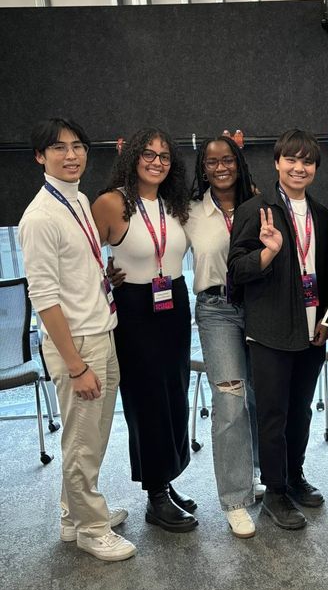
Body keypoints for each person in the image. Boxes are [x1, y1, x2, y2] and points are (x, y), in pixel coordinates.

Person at [18, 118, 135, 561]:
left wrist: (100, 278)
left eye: (78, 146)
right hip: (78, 344)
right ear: (39, 156)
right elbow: (44, 298)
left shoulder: (79, 198)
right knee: (83, 440)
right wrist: (75, 364)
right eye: (58, 148)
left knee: (93, 434)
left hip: (100, 329)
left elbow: (72, 268)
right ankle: (91, 527)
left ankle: (73, 514)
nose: (71, 155)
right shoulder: (40, 217)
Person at [227, 129, 328, 531]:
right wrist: (268, 252)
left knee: (301, 411)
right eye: (291, 159)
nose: (299, 167)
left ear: (315, 169)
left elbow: (327, 275)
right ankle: (274, 491)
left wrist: (326, 317)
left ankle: (294, 475)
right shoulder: (255, 211)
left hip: (312, 329)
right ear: (277, 163)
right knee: (272, 414)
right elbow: (235, 273)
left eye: (307, 161)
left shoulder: (322, 215)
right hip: (270, 330)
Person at [92, 128, 196, 532]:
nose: (157, 162)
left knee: (174, 395)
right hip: (136, 310)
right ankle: (154, 495)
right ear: (133, 157)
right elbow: (81, 259)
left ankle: (166, 481)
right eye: (149, 154)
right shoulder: (112, 203)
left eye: (165, 156)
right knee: (147, 402)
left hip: (174, 301)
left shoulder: (175, 203)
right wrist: (106, 277)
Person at [186, 136, 264, 538]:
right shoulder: (189, 212)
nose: (220, 167)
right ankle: (235, 499)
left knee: (259, 395)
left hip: (260, 305)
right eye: (212, 161)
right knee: (231, 400)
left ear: (238, 162)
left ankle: (254, 474)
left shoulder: (260, 205)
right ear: (203, 168)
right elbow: (158, 248)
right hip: (216, 309)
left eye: (227, 159)